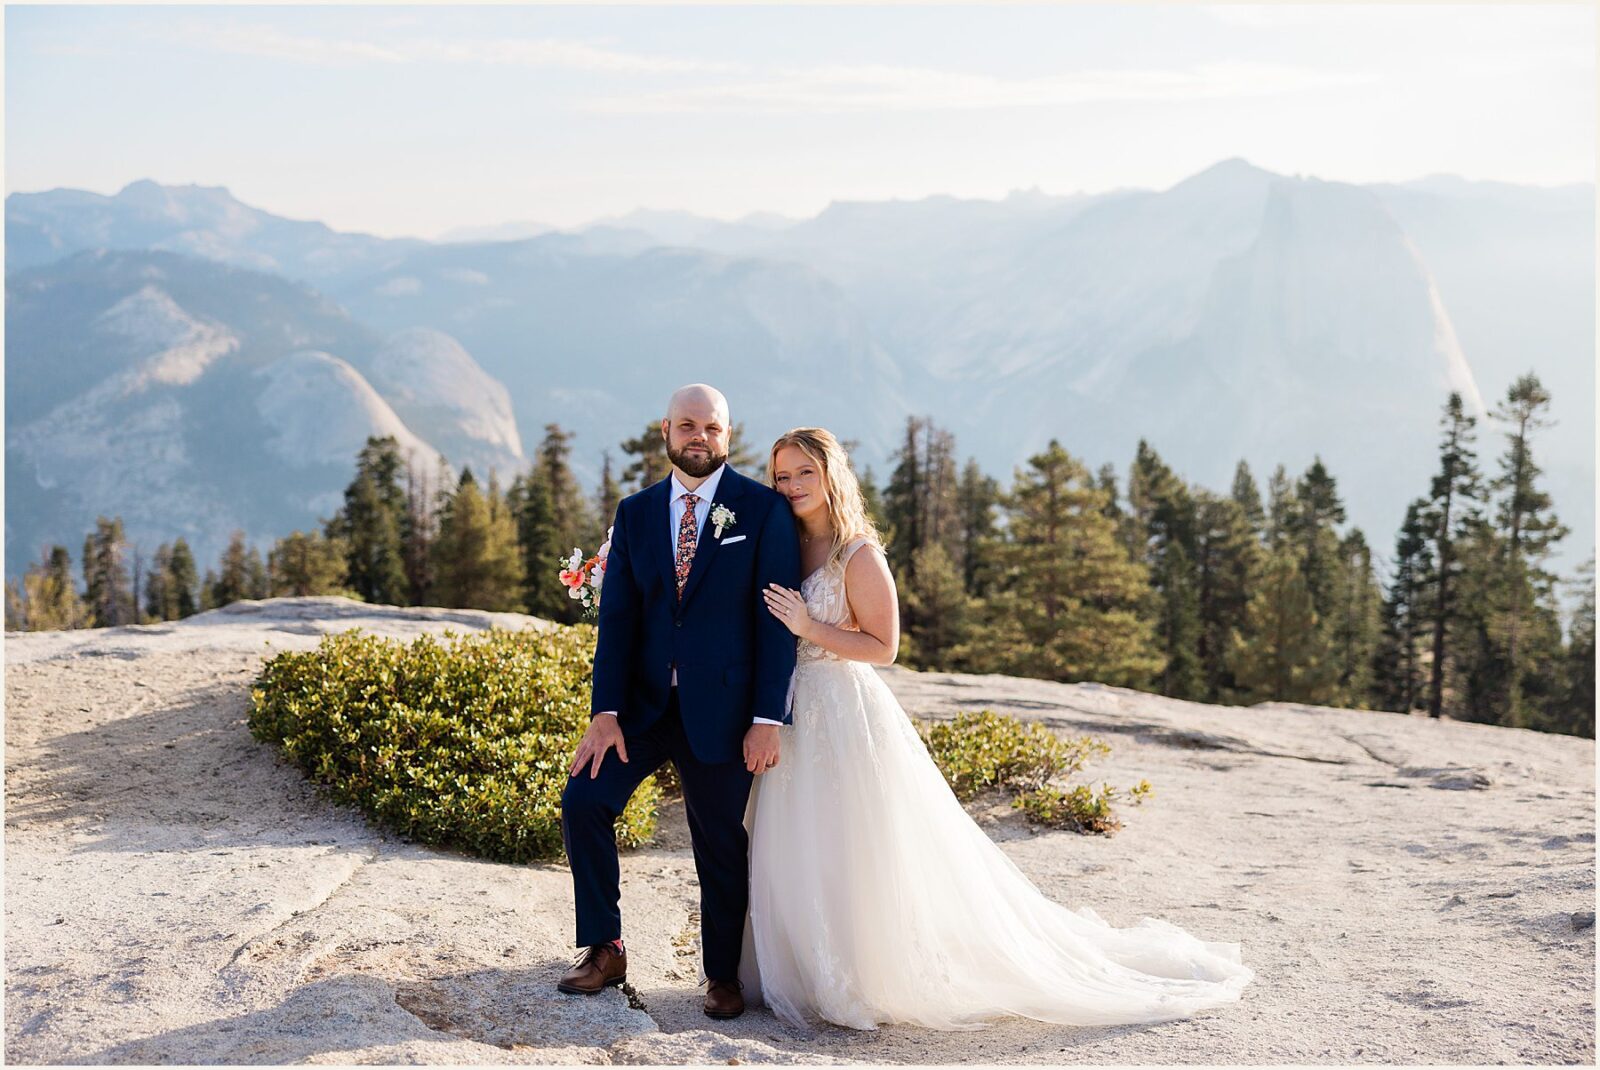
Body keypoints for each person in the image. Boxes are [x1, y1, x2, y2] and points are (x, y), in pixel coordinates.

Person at [740, 426, 1255, 1031]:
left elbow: (885, 647)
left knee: (853, 844)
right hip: (790, 712)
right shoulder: (782, 542)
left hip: (844, 713)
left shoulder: (857, 553)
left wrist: (809, 626)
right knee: (797, 842)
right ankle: (803, 967)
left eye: (805, 472)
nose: (793, 485)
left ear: (831, 476)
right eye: (782, 475)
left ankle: (859, 975)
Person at [558, 384, 800, 1020]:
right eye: (688, 426)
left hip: (723, 713)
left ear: (728, 434)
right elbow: (618, 621)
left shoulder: (762, 511)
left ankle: (722, 975)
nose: (700, 438)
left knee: (719, 842)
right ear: (665, 431)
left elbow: (776, 624)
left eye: (712, 429)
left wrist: (766, 719)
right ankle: (604, 948)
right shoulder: (635, 512)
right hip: (638, 710)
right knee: (583, 800)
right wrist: (604, 711)